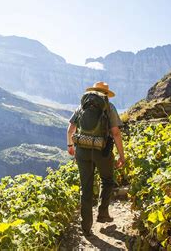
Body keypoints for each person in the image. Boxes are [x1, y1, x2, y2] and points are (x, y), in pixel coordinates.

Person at [66, 81, 125, 237]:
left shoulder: (83, 105)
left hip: (82, 151)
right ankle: (103, 213)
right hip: (102, 151)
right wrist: (121, 155)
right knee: (107, 180)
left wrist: (70, 145)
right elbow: (116, 133)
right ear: (106, 94)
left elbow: (71, 128)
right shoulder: (109, 107)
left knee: (85, 189)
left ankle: (86, 228)